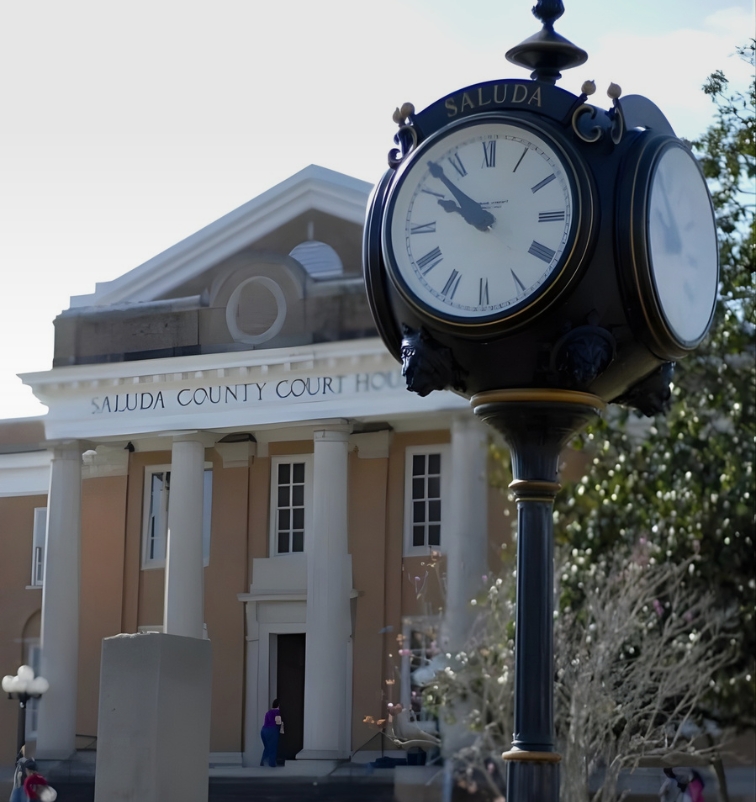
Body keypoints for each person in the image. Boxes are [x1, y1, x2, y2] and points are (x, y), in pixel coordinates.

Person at [260, 698, 284, 767]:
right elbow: (278, 723)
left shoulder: (269, 712)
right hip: (272, 730)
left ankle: (263, 762)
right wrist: (281, 731)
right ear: (279, 705)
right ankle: (272, 764)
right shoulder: (277, 712)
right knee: (273, 748)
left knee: (267, 747)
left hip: (263, 730)